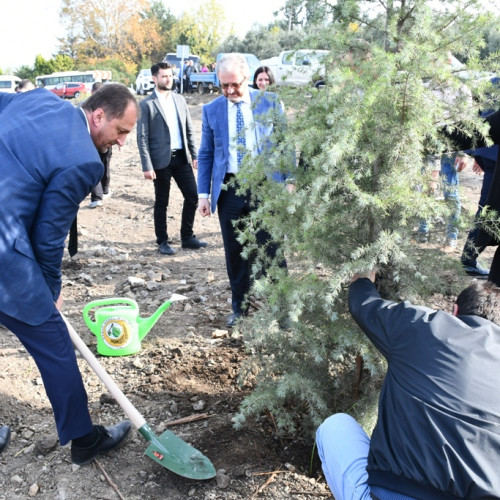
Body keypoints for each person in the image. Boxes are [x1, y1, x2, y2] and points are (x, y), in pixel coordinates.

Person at [0, 84, 139, 465]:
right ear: (98, 116)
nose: (122, 143)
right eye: (121, 131)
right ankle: (83, 438)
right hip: (4, 256)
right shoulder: (84, 160)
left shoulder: (41, 98)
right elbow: (49, 237)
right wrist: (51, 289)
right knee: (56, 346)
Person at [316, 272, 500, 499]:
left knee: (334, 427)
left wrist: (362, 279)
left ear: (454, 311)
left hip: (394, 492)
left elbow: (364, 304)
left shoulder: (422, 325)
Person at [197, 53, 292, 327]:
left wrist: (290, 179)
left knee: (271, 248)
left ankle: (283, 309)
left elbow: (284, 143)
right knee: (235, 252)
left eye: (234, 85)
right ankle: (240, 308)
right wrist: (204, 194)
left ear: (246, 78)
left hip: (265, 184)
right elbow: (205, 154)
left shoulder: (270, 102)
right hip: (230, 188)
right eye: (223, 86)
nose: (229, 91)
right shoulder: (212, 110)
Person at [137, 62, 206, 255]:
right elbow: (141, 137)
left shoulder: (180, 100)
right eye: (164, 76)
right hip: (160, 162)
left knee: (192, 196)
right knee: (162, 201)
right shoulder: (146, 105)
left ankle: (187, 237)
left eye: (170, 76)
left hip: (181, 158)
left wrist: (194, 155)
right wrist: (147, 165)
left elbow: (189, 129)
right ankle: (162, 241)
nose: (168, 79)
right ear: (155, 79)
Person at [451, 108, 500, 285]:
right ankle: (469, 258)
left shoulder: (494, 81)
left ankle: (469, 257)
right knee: (487, 210)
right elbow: (483, 126)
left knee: (486, 209)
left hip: (486, 150)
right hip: (490, 151)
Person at [89, 82, 113, 208]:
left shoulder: (86, 106)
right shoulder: (110, 106)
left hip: (91, 140)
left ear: (92, 92)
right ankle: (104, 190)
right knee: (105, 164)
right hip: (107, 140)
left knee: (94, 167)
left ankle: (97, 197)